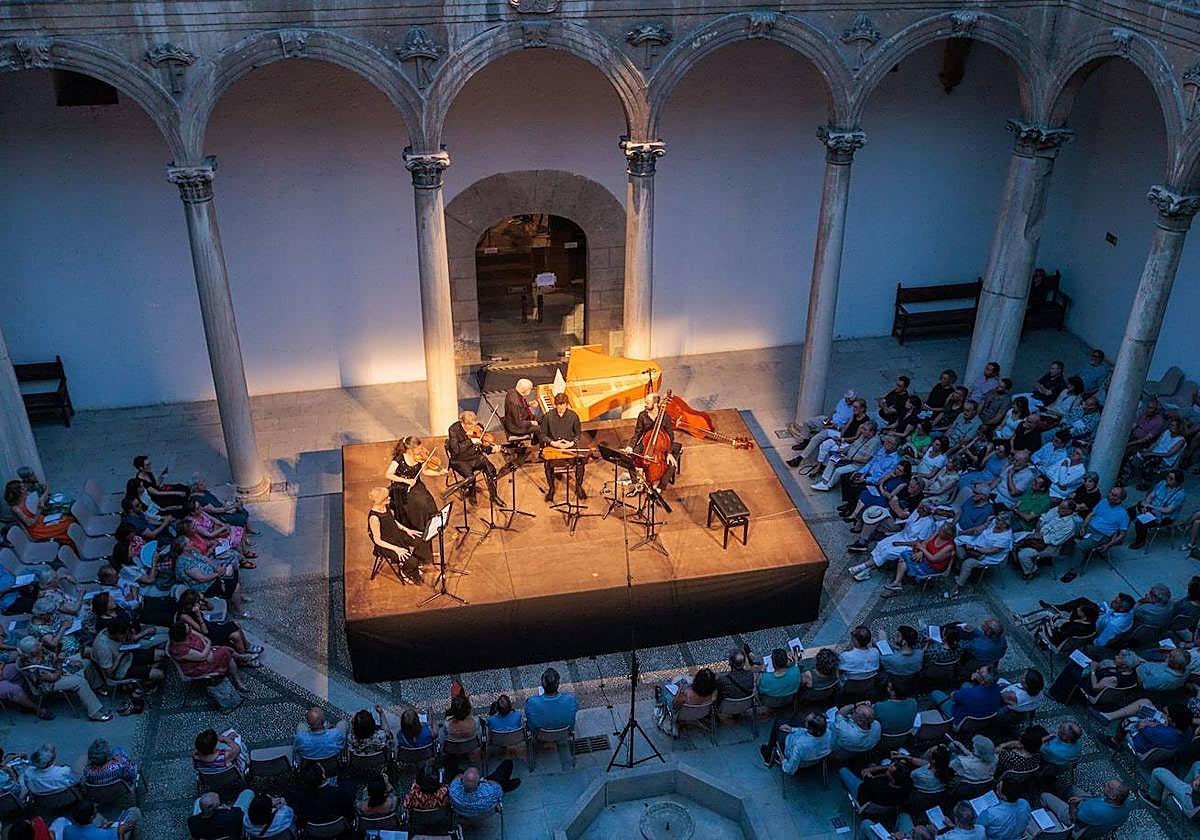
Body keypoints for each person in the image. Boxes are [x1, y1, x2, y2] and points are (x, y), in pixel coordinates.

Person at [17, 637, 112, 721]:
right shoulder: (33, 668)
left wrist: (68, 661)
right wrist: (61, 663)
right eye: (37, 645)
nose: (41, 644)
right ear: (32, 652)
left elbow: (53, 657)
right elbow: (53, 677)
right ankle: (94, 712)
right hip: (48, 683)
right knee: (80, 682)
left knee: (86, 662)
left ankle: (96, 687)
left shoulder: (40, 651)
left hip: (55, 668)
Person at [384, 436, 444, 565]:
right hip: (402, 490)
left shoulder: (420, 458)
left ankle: (425, 542)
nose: (422, 450)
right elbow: (388, 474)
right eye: (418, 448)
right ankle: (421, 550)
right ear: (410, 449)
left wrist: (440, 473)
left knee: (430, 506)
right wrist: (405, 480)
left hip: (416, 486)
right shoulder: (399, 459)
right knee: (420, 513)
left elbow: (426, 472)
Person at [1061, 485, 1128, 581]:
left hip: (1101, 535)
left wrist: (1108, 545)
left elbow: (1122, 534)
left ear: (1119, 500)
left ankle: (1073, 571)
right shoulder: (1104, 502)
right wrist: (1083, 526)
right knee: (1067, 528)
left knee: (1080, 546)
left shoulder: (1123, 514)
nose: (1109, 495)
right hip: (1088, 527)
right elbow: (1091, 514)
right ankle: (1059, 552)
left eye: (1113, 495)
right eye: (1110, 492)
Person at [167, 621, 247, 692]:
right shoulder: (180, 650)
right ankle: (241, 659)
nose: (191, 628)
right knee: (225, 650)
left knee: (228, 656)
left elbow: (202, 637)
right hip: (197, 667)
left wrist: (207, 646)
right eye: (188, 629)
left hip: (206, 652)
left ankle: (238, 679)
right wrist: (208, 648)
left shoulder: (188, 632)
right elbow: (202, 657)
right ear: (183, 634)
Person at [366, 486, 422, 583]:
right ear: (380, 501)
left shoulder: (385, 506)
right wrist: (397, 549)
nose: (389, 498)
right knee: (412, 561)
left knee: (420, 541)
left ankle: (408, 564)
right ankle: (405, 571)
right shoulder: (374, 518)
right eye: (387, 498)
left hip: (396, 534)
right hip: (387, 543)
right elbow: (377, 540)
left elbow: (392, 521)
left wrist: (407, 530)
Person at [950, 513, 1014, 597]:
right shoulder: (994, 522)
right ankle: (963, 558)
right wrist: (986, 523)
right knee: (957, 541)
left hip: (989, 555)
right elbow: (978, 530)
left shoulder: (1005, 538)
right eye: (997, 518)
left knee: (968, 563)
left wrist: (974, 548)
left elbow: (992, 551)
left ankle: (957, 586)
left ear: (1005, 524)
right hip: (979, 542)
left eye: (998, 519)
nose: (995, 520)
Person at [882, 522, 956, 595]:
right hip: (925, 557)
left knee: (905, 560)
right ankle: (897, 582)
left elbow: (934, 559)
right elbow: (925, 542)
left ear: (947, 535)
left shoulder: (949, 546)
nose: (939, 531)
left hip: (933, 566)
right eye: (940, 529)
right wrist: (921, 552)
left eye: (942, 531)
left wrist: (922, 549)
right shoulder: (938, 533)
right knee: (904, 554)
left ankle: (898, 582)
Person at [624, 392, 679, 492]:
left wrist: (669, 453)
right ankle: (636, 483)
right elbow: (637, 433)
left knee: (672, 465)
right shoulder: (642, 416)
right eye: (645, 402)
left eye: (647, 402)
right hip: (645, 442)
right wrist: (630, 447)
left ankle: (660, 488)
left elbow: (671, 436)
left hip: (662, 445)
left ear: (655, 404)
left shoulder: (665, 418)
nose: (645, 404)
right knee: (629, 457)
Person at [446, 410, 502, 506]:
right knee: (470, 477)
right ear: (462, 423)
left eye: (474, 425)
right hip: (460, 460)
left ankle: (494, 496)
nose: (473, 428)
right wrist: (470, 441)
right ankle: (472, 496)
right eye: (470, 425)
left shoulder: (476, 428)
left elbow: (481, 446)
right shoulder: (453, 429)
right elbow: (456, 450)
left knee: (491, 469)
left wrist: (491, 450)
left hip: (475, 456)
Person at [1014, 499, 1078, 580]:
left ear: (1069, 511)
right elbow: (1042, 518)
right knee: (1013, 538)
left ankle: (1031, 571)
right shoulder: (1057, 510)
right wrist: (1037, 532)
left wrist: (1037, 536)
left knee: (1022, 554)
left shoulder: (1069, 525)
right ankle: (1022, 564)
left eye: (1062, 507)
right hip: (1037, 534)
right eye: (1060, 506)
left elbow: (1056, 541)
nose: (1058, 509)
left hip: (1049, 546)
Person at [1039, 780, 1132, 835]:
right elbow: (1098, 798)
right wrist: (1082, 798)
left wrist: (1072, 804)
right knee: (1072, 789)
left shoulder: (1094, 810)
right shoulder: (1127, 801)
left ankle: (1045, 812)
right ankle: (1062, 794)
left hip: (1078, 820)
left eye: (1109, 786)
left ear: (1113, 797)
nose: (1106, 783)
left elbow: (1073, 817)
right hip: (1098, 815)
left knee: (1045, 796)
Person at [286, 763, 356, 835]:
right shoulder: (340, 792)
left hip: (313, 833)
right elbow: (350, 815)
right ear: (323, 775)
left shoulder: (298, 797)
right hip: (340, 830)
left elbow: (300, 821)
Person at [541, 392, 586, 501]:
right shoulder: (548, 416)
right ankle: (551, 488)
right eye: (558, 405)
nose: (560, 408)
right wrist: (553, 443)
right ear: (555, 405)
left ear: (567, 405)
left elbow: (578, 434)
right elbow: (542, 435)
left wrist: (571, 443)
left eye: (563, 405)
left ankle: (578, 486)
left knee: (580, 461)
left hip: (569, 447)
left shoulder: (573, 416)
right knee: (547, 464)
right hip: (554, 448)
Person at [1128, 468, 1185, 549]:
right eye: (1168, 476)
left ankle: (1140, 542)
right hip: (1151, 508)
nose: (1167, 479)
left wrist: (1150, 506)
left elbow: (1168, 510)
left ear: (1177, 482)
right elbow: (1151, 495)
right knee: (1130, 511)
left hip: (1164, 516)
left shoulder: (1180, 495)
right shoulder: (1162, 483)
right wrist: (1145, 505)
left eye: (1171, 478)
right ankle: (1119, 533)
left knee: (1140, 522)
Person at [655, 667, 717, 736]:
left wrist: (680, 688)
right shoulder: (713, 693)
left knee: (666, 687)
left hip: (682, 715)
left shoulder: (686, 694)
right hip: (701, 713)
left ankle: (660, 700)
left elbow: (675, 706)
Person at [930, 666, 1001, 725]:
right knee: (965, 684)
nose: (976, 671)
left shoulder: (970, 693)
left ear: (983, 681)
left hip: (958, 717)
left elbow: (952, 697)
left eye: (978, 672)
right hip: (982, 718)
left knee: (935, 693)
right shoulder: (998, 689)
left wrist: (958, 693)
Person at [449, 762, 520, 818]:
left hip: (464, 815)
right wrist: (485, 781)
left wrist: (464, 777)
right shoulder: (489, 793)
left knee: (458, 770)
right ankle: (508, 785)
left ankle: (509, 784)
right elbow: (497, 786)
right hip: (485, 811)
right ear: (479, 782)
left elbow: (457, 776)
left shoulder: (453, 790)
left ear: (462, 781)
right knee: (507, 764)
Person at [838, 760, 913, 810]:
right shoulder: (908, 783)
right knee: (872, 765)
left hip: (865, 801)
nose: (888, 767)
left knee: (843, 770)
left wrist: (881, 768)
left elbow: (864, 772)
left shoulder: (876, 784)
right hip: (886, 805)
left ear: (892, 778)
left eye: (889, 770)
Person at [189, 473, 253, 530]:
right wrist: (232, 506)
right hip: (219, 516)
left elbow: (216, 500)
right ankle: (246, 531)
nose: (205, 484)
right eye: (202, 484)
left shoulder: (205, 492)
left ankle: (248, 529)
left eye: (204, 481)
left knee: (242, 510)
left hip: (223, 508)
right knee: (240, 517)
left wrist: (226, 504)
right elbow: (215, 510)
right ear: (196, 487)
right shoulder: (197, 499)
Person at [524, 666, 578, 731]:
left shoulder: (531, 703)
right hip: (564, 738)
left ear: (542, 684)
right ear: (558, 683)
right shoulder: (571, 700)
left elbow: (531, 726)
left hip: (541, 739)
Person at [62, 799, 143, 840]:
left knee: (103, 820)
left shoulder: (67, 830)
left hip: (97, 832)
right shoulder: (105, 835)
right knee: (135, 811)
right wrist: (120, 832)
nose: (96, 808)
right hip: (109, 835)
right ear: (91, 817)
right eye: (95, 809)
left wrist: (100, 829)